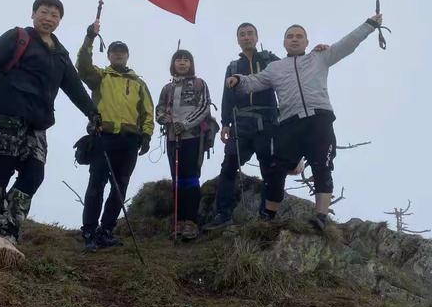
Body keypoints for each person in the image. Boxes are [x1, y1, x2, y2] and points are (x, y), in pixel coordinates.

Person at [0, 0, 100, 264]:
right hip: (6, 113)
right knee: (2, 168)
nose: (49, 18)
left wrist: (92, 112)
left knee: (34, 174)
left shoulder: (61, 55)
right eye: (44, 12)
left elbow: (75, 88)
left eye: (55, 15)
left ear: (59, 21)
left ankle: (8, 232)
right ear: (33, 14)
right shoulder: (18, 37)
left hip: (38, 123)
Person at [226, 14, 383, 230]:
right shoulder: (275, 68)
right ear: (284, 43)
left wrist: (369, 25)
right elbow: (256, 81)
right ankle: (267, 216)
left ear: (307, 42)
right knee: (274, 167)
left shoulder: (320, 56)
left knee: (323, 166)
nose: (294, 39)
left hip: (320, 119)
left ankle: (320, 217)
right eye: (290, 36)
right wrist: (239, 80)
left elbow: (347, 43)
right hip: (289, 123)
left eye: (299, 36)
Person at [77, 19, 154, 252]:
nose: (119, 55)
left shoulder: (139, 83)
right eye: (114, 52)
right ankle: (89, 231)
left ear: (127, 56)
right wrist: (90, 37)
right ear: (109, 55)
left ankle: (106, 230)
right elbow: (82, 66)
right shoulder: (100, 77)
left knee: (119, 188)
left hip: (130, 141)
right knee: (96, 185)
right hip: (104, 137)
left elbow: (147, 112)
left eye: (122, 52)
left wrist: (147, 136)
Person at [203, 23, 280, 230]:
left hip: (268, 122)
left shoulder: (270, 60)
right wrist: (226, 123)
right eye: (242, 35)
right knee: (229, 167)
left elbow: (289, 77)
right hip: (242, 123)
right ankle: (222, 214)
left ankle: (267, 216)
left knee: (269, 169)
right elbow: (227, 96)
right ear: (238, 39)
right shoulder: (233, 67)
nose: (246, 38)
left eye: (250, 34)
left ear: (257, 37)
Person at [156, 50, 212, 241]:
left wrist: (185, 124)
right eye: (178, 59)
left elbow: (204, 107)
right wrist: (167, 120)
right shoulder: (167, 88)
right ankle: (178, 221)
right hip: (172, 138)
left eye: (186, 59)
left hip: (194, 137)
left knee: (191, 177)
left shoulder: (199, 84)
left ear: (191, 63)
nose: (182, 62)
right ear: (173, 63)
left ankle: (191, 221)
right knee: (177, 177)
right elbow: (160, 110)